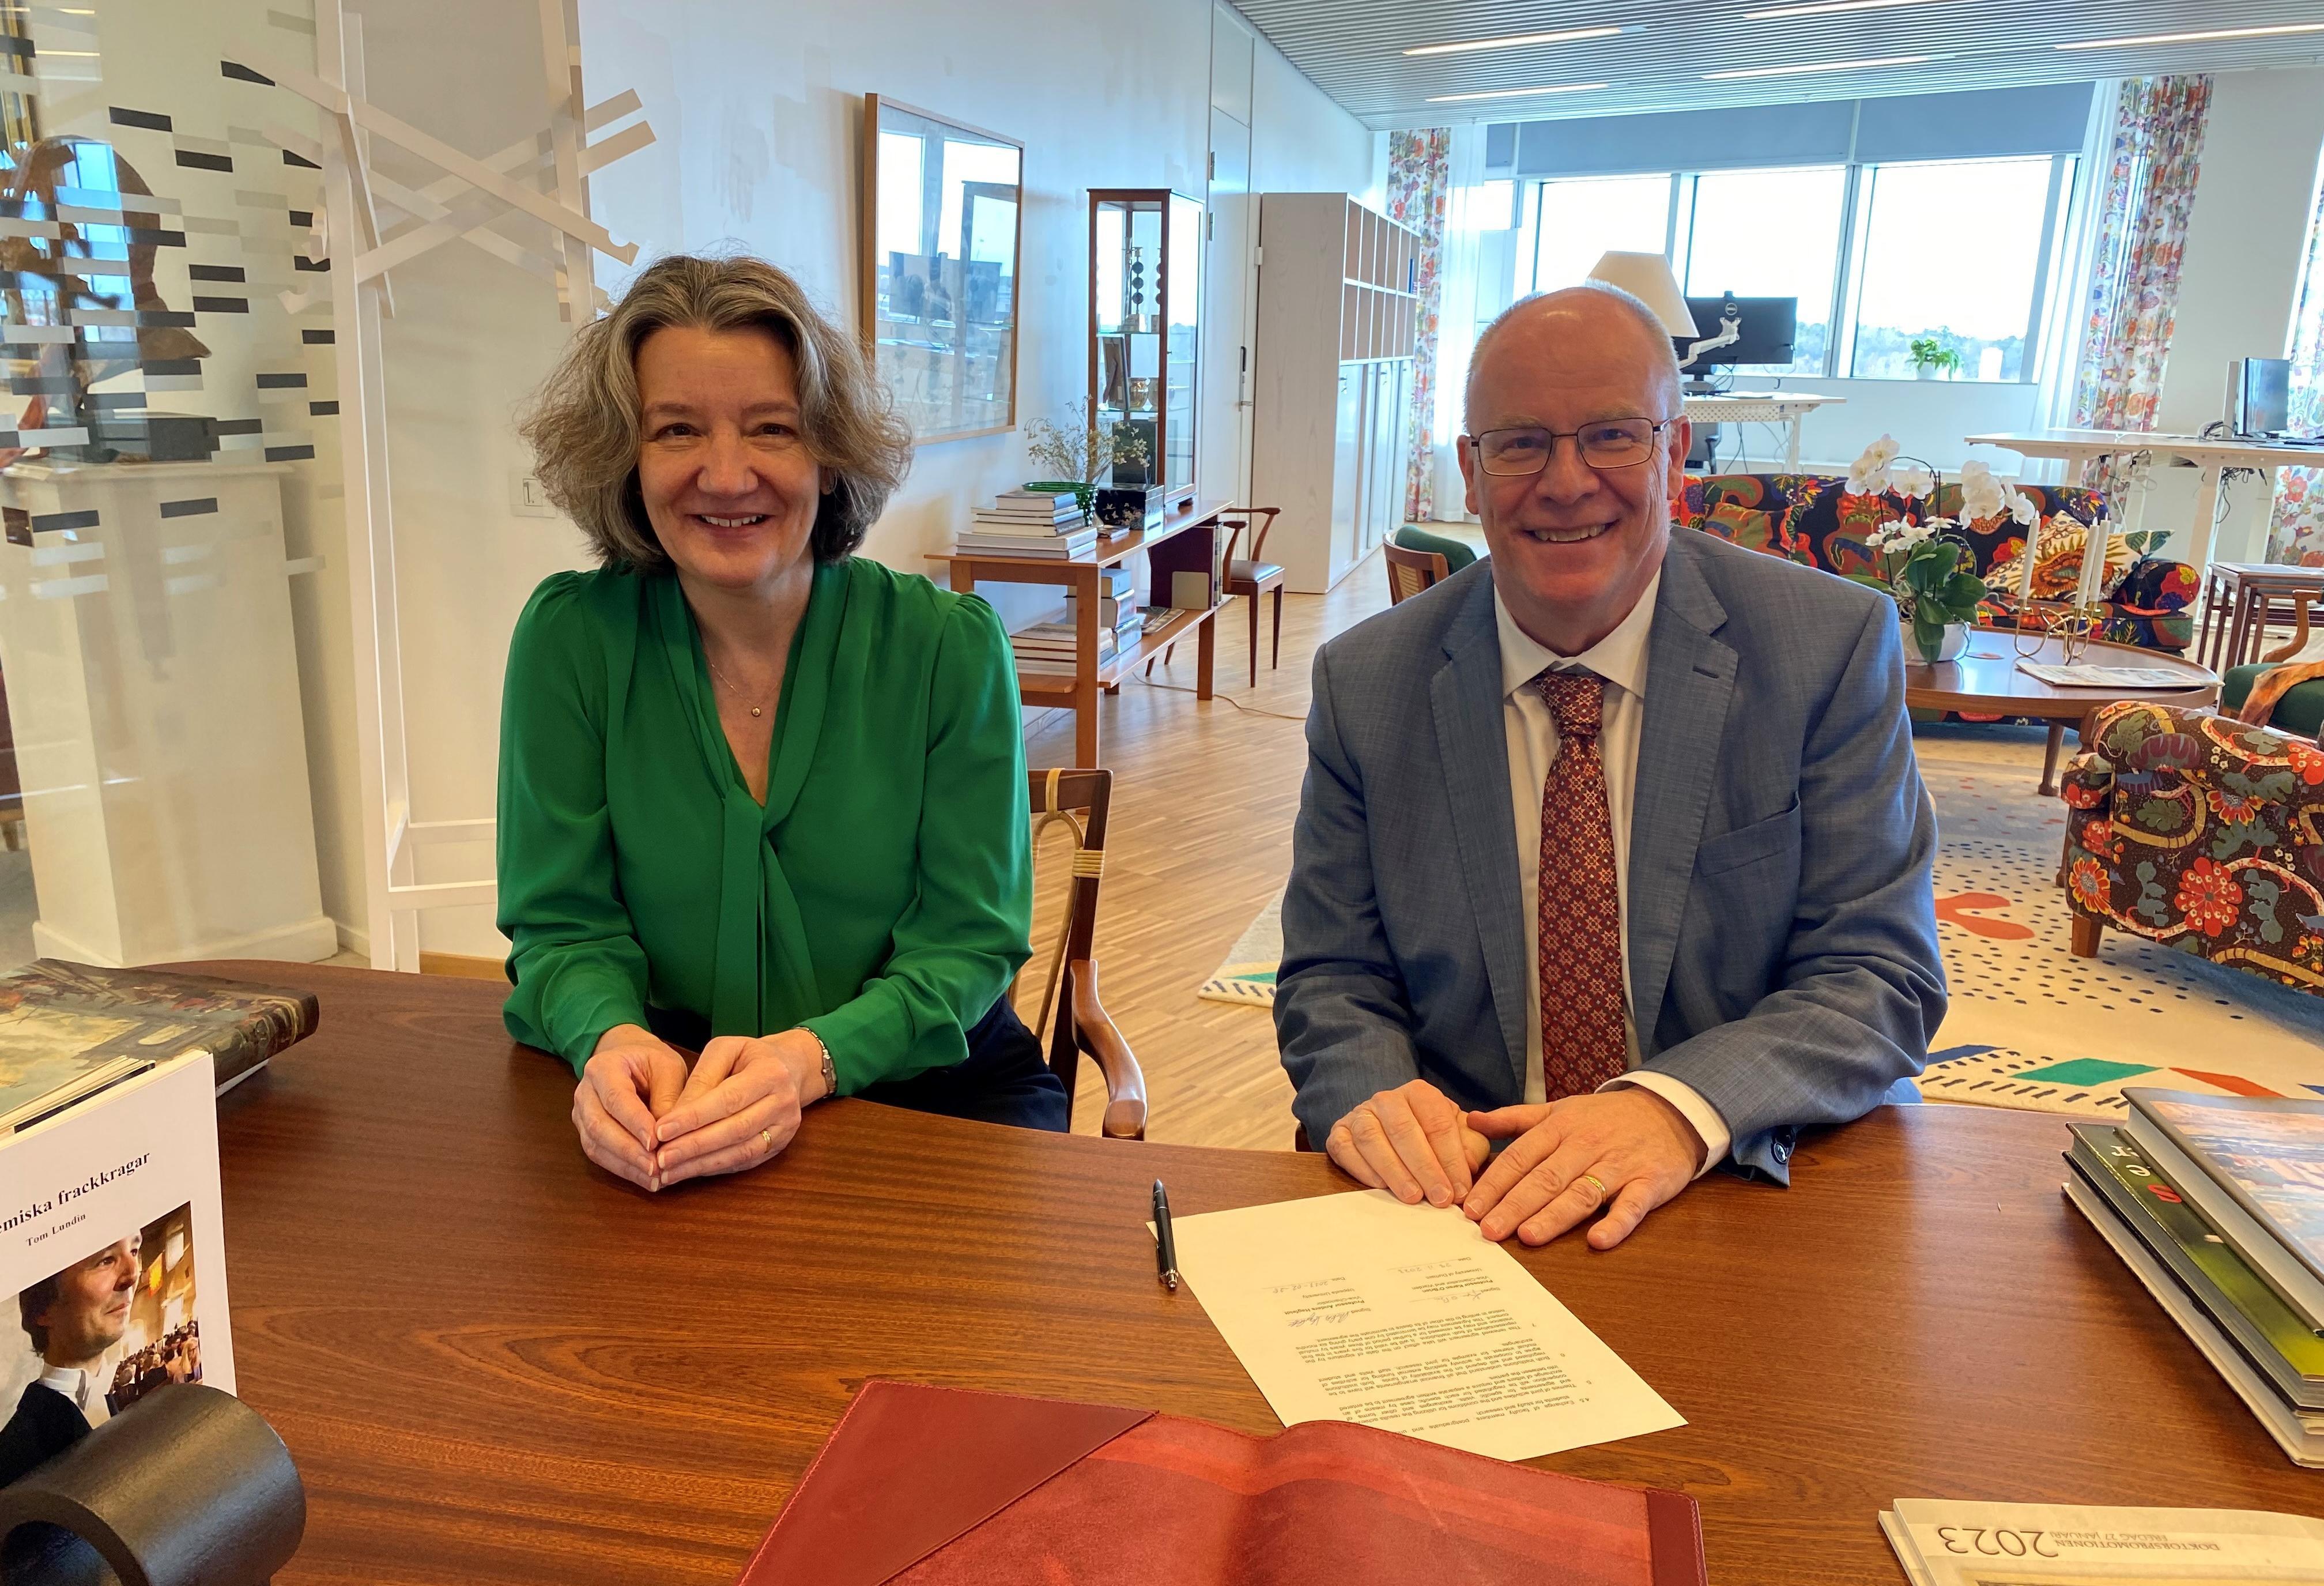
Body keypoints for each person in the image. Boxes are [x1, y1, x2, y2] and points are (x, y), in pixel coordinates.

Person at [1276, 285, 1945, 1252]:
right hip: (1459, 1201)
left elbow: (1878, 972)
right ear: (1469, 472)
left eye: (1610, 436)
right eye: (1519, 443)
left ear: (1674, 453)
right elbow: (1332, 973)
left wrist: (1673, 1107)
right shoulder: (1366, 682)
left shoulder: (1824, 648)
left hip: (1730, 1179)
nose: (1564, 481)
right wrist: (1377, 1095)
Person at [500, 254, 1058, 1195]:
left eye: (772, 429)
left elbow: (968, 942)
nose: (726, 474)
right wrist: (610, 1034)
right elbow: (562, 925)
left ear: (830, 452)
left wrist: (813, 1060)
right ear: (623, 459)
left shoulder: (947, 650)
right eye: (676, 429)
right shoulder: (570, 641)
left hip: (927, 1086)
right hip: (671, 1099)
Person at [0, 1235, 141, 1486]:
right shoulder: (13, 1457)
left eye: (135, 1250)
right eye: (105, 1260)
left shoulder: (128, 1394)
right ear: (44, 1309)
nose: (133, 1274)